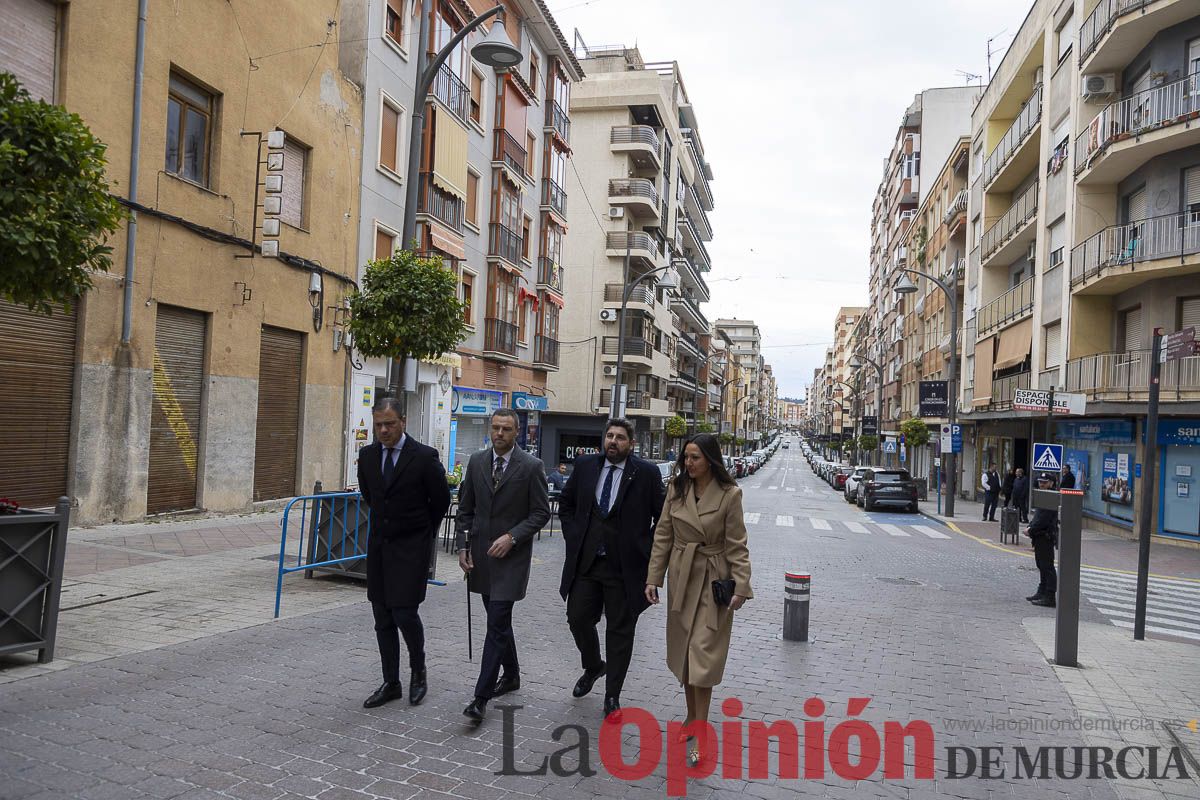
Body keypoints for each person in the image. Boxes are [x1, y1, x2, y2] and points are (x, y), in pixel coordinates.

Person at [645, 433, 752, 768]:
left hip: (712, 580)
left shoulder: (730, 494)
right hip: (682, 578)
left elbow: (737, 543)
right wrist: (653, 577)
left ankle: (701, 733)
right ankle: (691, 717)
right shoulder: (676, 489)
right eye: (686, 457)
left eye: (695, 458)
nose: (688, 463)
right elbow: (663, 534)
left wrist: (742, 586)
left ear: (710, 459)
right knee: (686, 655)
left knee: (702, 657)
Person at [558, 418, 665, 720]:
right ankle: (594, 666)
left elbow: (663, 517)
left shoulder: (645, 473)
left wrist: (646, 548)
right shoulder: (586, 466)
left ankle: (612, 695)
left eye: (620, 437)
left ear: (631, 444)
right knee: (577, 618)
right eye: (609, 436)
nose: (613, 442)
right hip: (588, 564)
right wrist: (573, 534)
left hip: (624, 569)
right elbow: (565, 505)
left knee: (620, 633)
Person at [455, 409, 550, 723]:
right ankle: (511, 674)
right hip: (481, 556)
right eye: (495, 428)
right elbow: (465, 509)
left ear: (517, 431)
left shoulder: (532, 466)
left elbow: (540, 513)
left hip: (511, 558)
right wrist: (463, 546)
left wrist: (513, 536)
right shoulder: (477, 462)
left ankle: (480, 698)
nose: (499, 434)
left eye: (506, 429)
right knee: (497, 619)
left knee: (496, 622)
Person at [358, 397, 452, 709]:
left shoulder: (424, 457)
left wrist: (422, 535)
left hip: (411, 548)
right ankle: (391, 682)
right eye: (379, 425)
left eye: (390, 424)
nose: (383, 430)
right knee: (382, 617)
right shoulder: (368, 456)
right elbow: (370, 496)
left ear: (403, 422)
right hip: (380, 549)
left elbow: (439, 502)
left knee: (404, 614)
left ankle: (418, 672)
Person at [1026, 473, 1059, 608]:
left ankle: (1049, 596)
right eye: (1040, 482)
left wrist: (1030, 530)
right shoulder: (1043, 496)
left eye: (1045, 482)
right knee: (1041, 565)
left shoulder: (1051, 497)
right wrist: (1031, 526)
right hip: (1039, 536)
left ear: (1051, 483)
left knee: (1047, 566)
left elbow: (1043, 519)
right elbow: (1038, 516)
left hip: (1045, 536)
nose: (1042, 485)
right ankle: (1042, 591)